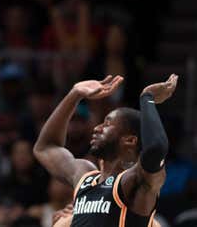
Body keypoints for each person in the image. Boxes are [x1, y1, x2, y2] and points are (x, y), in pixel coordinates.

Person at [33, 74, 177, 226]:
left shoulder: (134, 181)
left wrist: (147, 98)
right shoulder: (85, 177)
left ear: (130, 140)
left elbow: (156, 149)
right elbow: (46, 147)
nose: (96, 128)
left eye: (107, 124)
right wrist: (74, 95)